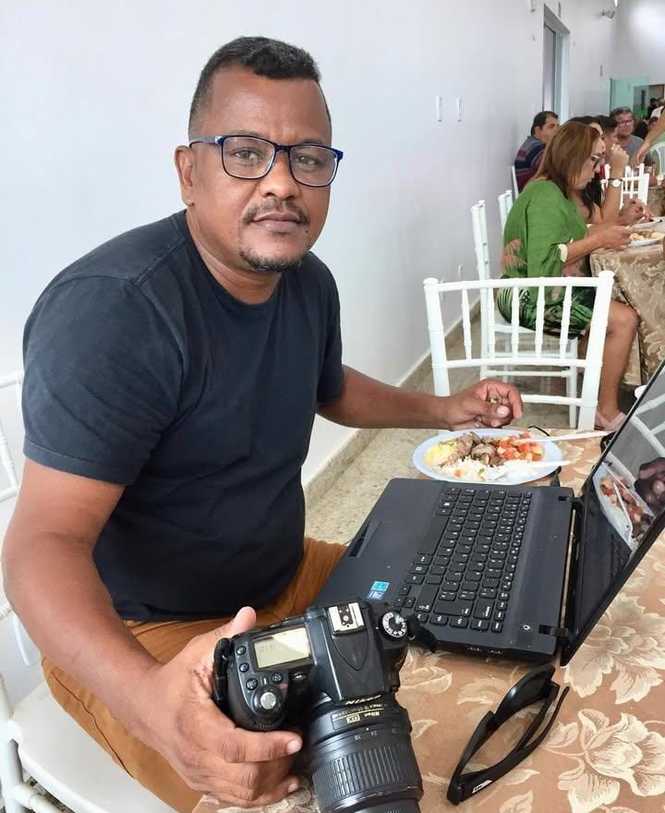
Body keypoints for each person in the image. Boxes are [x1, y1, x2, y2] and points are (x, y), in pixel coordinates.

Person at [1, 37, 523, 813]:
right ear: (189, 170)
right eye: (245, 152)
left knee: (482, 604)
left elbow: (330, 388)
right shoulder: (114, 313)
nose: (281, 182)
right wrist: (151, 703)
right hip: (147, 630)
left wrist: (446, 409)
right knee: (288, 785)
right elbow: (40, 545)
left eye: (308, 158)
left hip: (284, 576)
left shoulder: (307, 283)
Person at [498, 121, 638, 431]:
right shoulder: (545, 195)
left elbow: (580, 234)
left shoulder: (557, 191)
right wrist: (600, 239)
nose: (596, 169)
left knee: (618, 308)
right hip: (527, 295)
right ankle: (605, 410)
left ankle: (591, 385)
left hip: (544, 286)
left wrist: (617, 225)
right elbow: (544, 262)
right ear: (572, 156)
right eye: (593, 160)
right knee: (624, 319)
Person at [514, 110, 559, 192]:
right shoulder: (534, 147)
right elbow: (554, 169)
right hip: (531, 194)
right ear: (538, 130)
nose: (557, 130)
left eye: (558, 126)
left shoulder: (533, 144)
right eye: (551, 127)